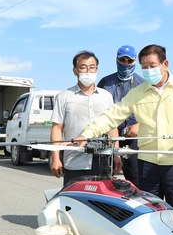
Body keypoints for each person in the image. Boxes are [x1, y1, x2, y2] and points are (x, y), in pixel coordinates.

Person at [76, 44, 173, 228]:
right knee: (149, 215)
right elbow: (111, 116)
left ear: (165, 64)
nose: (148, 70)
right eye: (144, 67)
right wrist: (86, 134)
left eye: (152, 65)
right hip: (147, 163)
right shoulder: (137, 93)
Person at [50, 51, 121, 186]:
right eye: (83, 67)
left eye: (92, 67)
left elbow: (112, 127)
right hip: (75, 160)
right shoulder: (64, 96)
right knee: (74, 196)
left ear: (97, 69)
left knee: (101, 197)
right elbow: (57, 128)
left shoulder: (106, 96)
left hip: (103, 160)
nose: (88, 71)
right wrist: (55, 158)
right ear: (75, 71)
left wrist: (116, 154)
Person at [97, 45, 146, 186]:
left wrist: (139, 125)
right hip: (109, 137)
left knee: (135, 177)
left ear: (135, 61)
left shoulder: (143, 84)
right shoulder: (105, 83)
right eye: (122, 60)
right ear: (116, 60)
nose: (126, 63)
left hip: (133, 137)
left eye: (130, 61)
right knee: (105, 177)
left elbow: (151, 112)